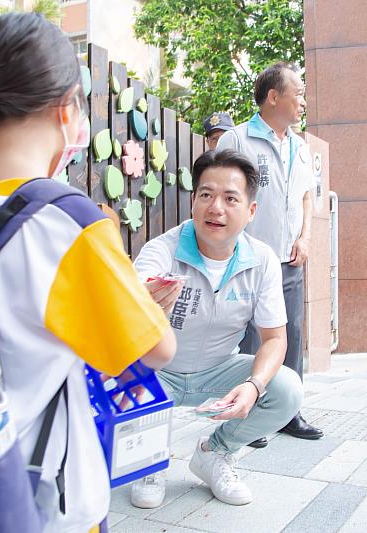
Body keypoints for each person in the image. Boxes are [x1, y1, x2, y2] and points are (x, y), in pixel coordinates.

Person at [0, 13, 176, 532]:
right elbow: (155, 350)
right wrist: (145, 300)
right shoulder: (68, 223)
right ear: (68, 107)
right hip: (41, 503)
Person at [129, 149, 303, 509]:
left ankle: (215, 452)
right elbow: (128, 303)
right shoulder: (162, 250)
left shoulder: (262, 260)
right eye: (206, 195)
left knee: (285, 388)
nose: (215, 208)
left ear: (251, 211)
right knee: (125, 381)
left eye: (230, 198)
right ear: (194, 201)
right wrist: (141, 302)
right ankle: (150, 460)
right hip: (159, 374)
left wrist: (254, 387)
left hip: (219, 370)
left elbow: (274, 339)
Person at [215, 62, 320, 444]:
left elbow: (307, 196)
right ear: (274, 97)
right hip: (248, 261)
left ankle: (289, 411)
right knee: (253, 340)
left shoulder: (301, 146)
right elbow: (223, 200)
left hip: (290, 260)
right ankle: (250, 412)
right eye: (299, 92)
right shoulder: (237, 141)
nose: (303, 101)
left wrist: (305, 237)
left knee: (289, 333)